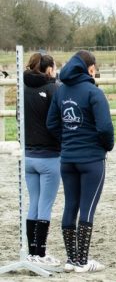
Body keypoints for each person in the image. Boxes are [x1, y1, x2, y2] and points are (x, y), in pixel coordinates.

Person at [46, 50, 114, 273]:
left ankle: (71, 259)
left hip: (68, 159)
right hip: (92, 159)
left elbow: (51, 123)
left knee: (70, 206)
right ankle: (83, 261)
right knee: (87, 208)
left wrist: (67, 140)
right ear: (90, 68)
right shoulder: (94, 92)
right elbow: (105, 127)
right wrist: (106, 146)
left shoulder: (61, 91)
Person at [23, 52, 61, 267]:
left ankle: (32, 252)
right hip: (49, 156)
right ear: (48, 69)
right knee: (45, 205)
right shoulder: (53, 89)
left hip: (28, 156)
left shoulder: (23, 88)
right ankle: (41, 253)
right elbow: (57, 121)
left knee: (34, 203)